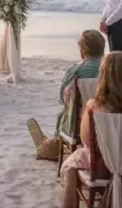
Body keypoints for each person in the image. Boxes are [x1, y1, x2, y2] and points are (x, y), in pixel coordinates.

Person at [59, 52, 122, 208]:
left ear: (103, 78)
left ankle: (68, 207)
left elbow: (86, 140)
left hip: (101, 167)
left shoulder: (93, 105)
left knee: (71, 163)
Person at [26, 30, 105, 158]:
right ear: (102, 48)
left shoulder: (76, 71)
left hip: (81, 123)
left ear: (82, 51)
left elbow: (63, 97)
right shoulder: (112, 68)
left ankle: (48, 146)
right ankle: (49, 144)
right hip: (112, 119)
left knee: (66, 113)